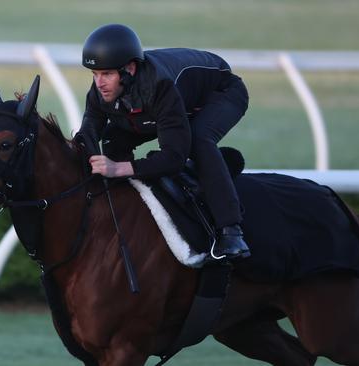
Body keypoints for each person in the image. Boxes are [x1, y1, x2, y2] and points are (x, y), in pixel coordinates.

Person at [75, 24, 250, 261]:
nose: (99, 83)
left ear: (130, 69)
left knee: (198, 140)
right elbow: (86, 136)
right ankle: (127, 207)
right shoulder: (101, 91)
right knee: (113, 137)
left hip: (221, 93)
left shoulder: (159, 86)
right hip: (165, 107)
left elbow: (174, 158)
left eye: (107, 74)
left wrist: (118, 168)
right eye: (95, 74)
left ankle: (231, 232)